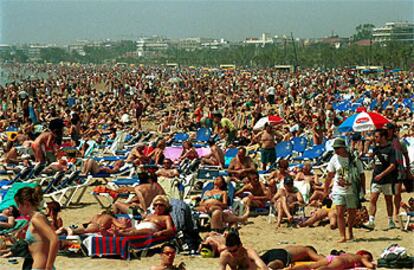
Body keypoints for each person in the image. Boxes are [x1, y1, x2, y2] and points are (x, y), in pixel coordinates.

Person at [324, 137, 364, 242]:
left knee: (352, 212)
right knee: (340, 213)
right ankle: (342, 235)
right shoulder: (334, 159)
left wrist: (362, 189)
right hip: (338, 190)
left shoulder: (354, 159)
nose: (335, 150)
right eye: (335, 148)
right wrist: (326, 190)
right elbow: (329, 175)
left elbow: (362, 174)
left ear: (343, 148)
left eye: (337, 148)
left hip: (352, 189)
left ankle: (350, 230)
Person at [14, 186, 59, 270]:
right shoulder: (37, 217)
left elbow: (54, 239)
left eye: (18, 205)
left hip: (40, 266)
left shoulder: (36, 219)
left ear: (26, 203)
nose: (18, 208)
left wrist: (49, 265)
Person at [364, 129, 397, 230]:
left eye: (377, 136)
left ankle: (390, 220)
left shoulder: (390, 149)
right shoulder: (376, 149)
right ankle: (371, 220)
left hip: (386, 178)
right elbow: (366, 155)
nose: (375, 138)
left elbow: (392, 165)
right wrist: (367, 145)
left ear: (383, 137)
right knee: (373, 199)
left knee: (388, 200)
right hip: (376, 178)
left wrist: (382, 174)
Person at [385, 123, 410, 222]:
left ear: (392, 130)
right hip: (387, 169)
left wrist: (407, 169)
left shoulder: (400, 143)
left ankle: (396, 212)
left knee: (397, 192)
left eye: (388, 129)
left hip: (398, 169)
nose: (386, 131)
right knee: (388, 193)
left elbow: (406, 157)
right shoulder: (384, 142)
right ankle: (391, 214)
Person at [291, 250, 375, 270]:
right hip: (341, 261)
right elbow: (370, 266)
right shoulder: (362, 258)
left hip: (332, 257)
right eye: (369, 258)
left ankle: (290, 269)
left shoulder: (351, 254)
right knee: (329, 268)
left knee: (311, 266)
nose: (369, 259)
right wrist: (372, 264)